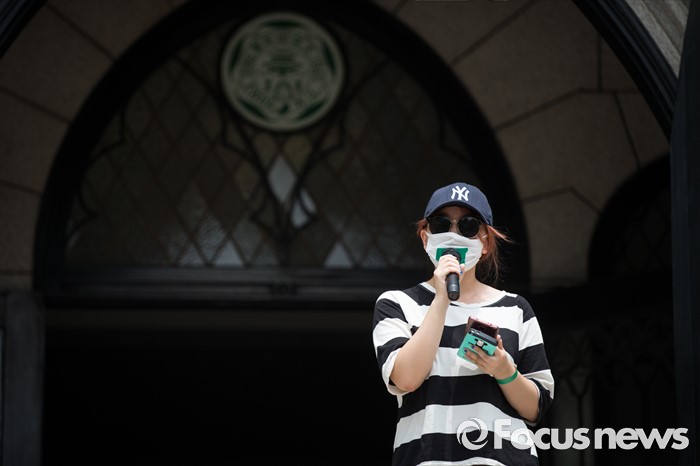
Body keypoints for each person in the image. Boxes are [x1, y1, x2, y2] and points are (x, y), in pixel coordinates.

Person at [372, 181, 554, 466]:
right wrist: (441, 299)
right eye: (441, 224)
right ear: (425, 238)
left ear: (485, 243)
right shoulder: (397, 304)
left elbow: (537, 408)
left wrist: (503, 370)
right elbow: (405, 378)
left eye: (468, 226)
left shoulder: (516, 308)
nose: (453, 234)